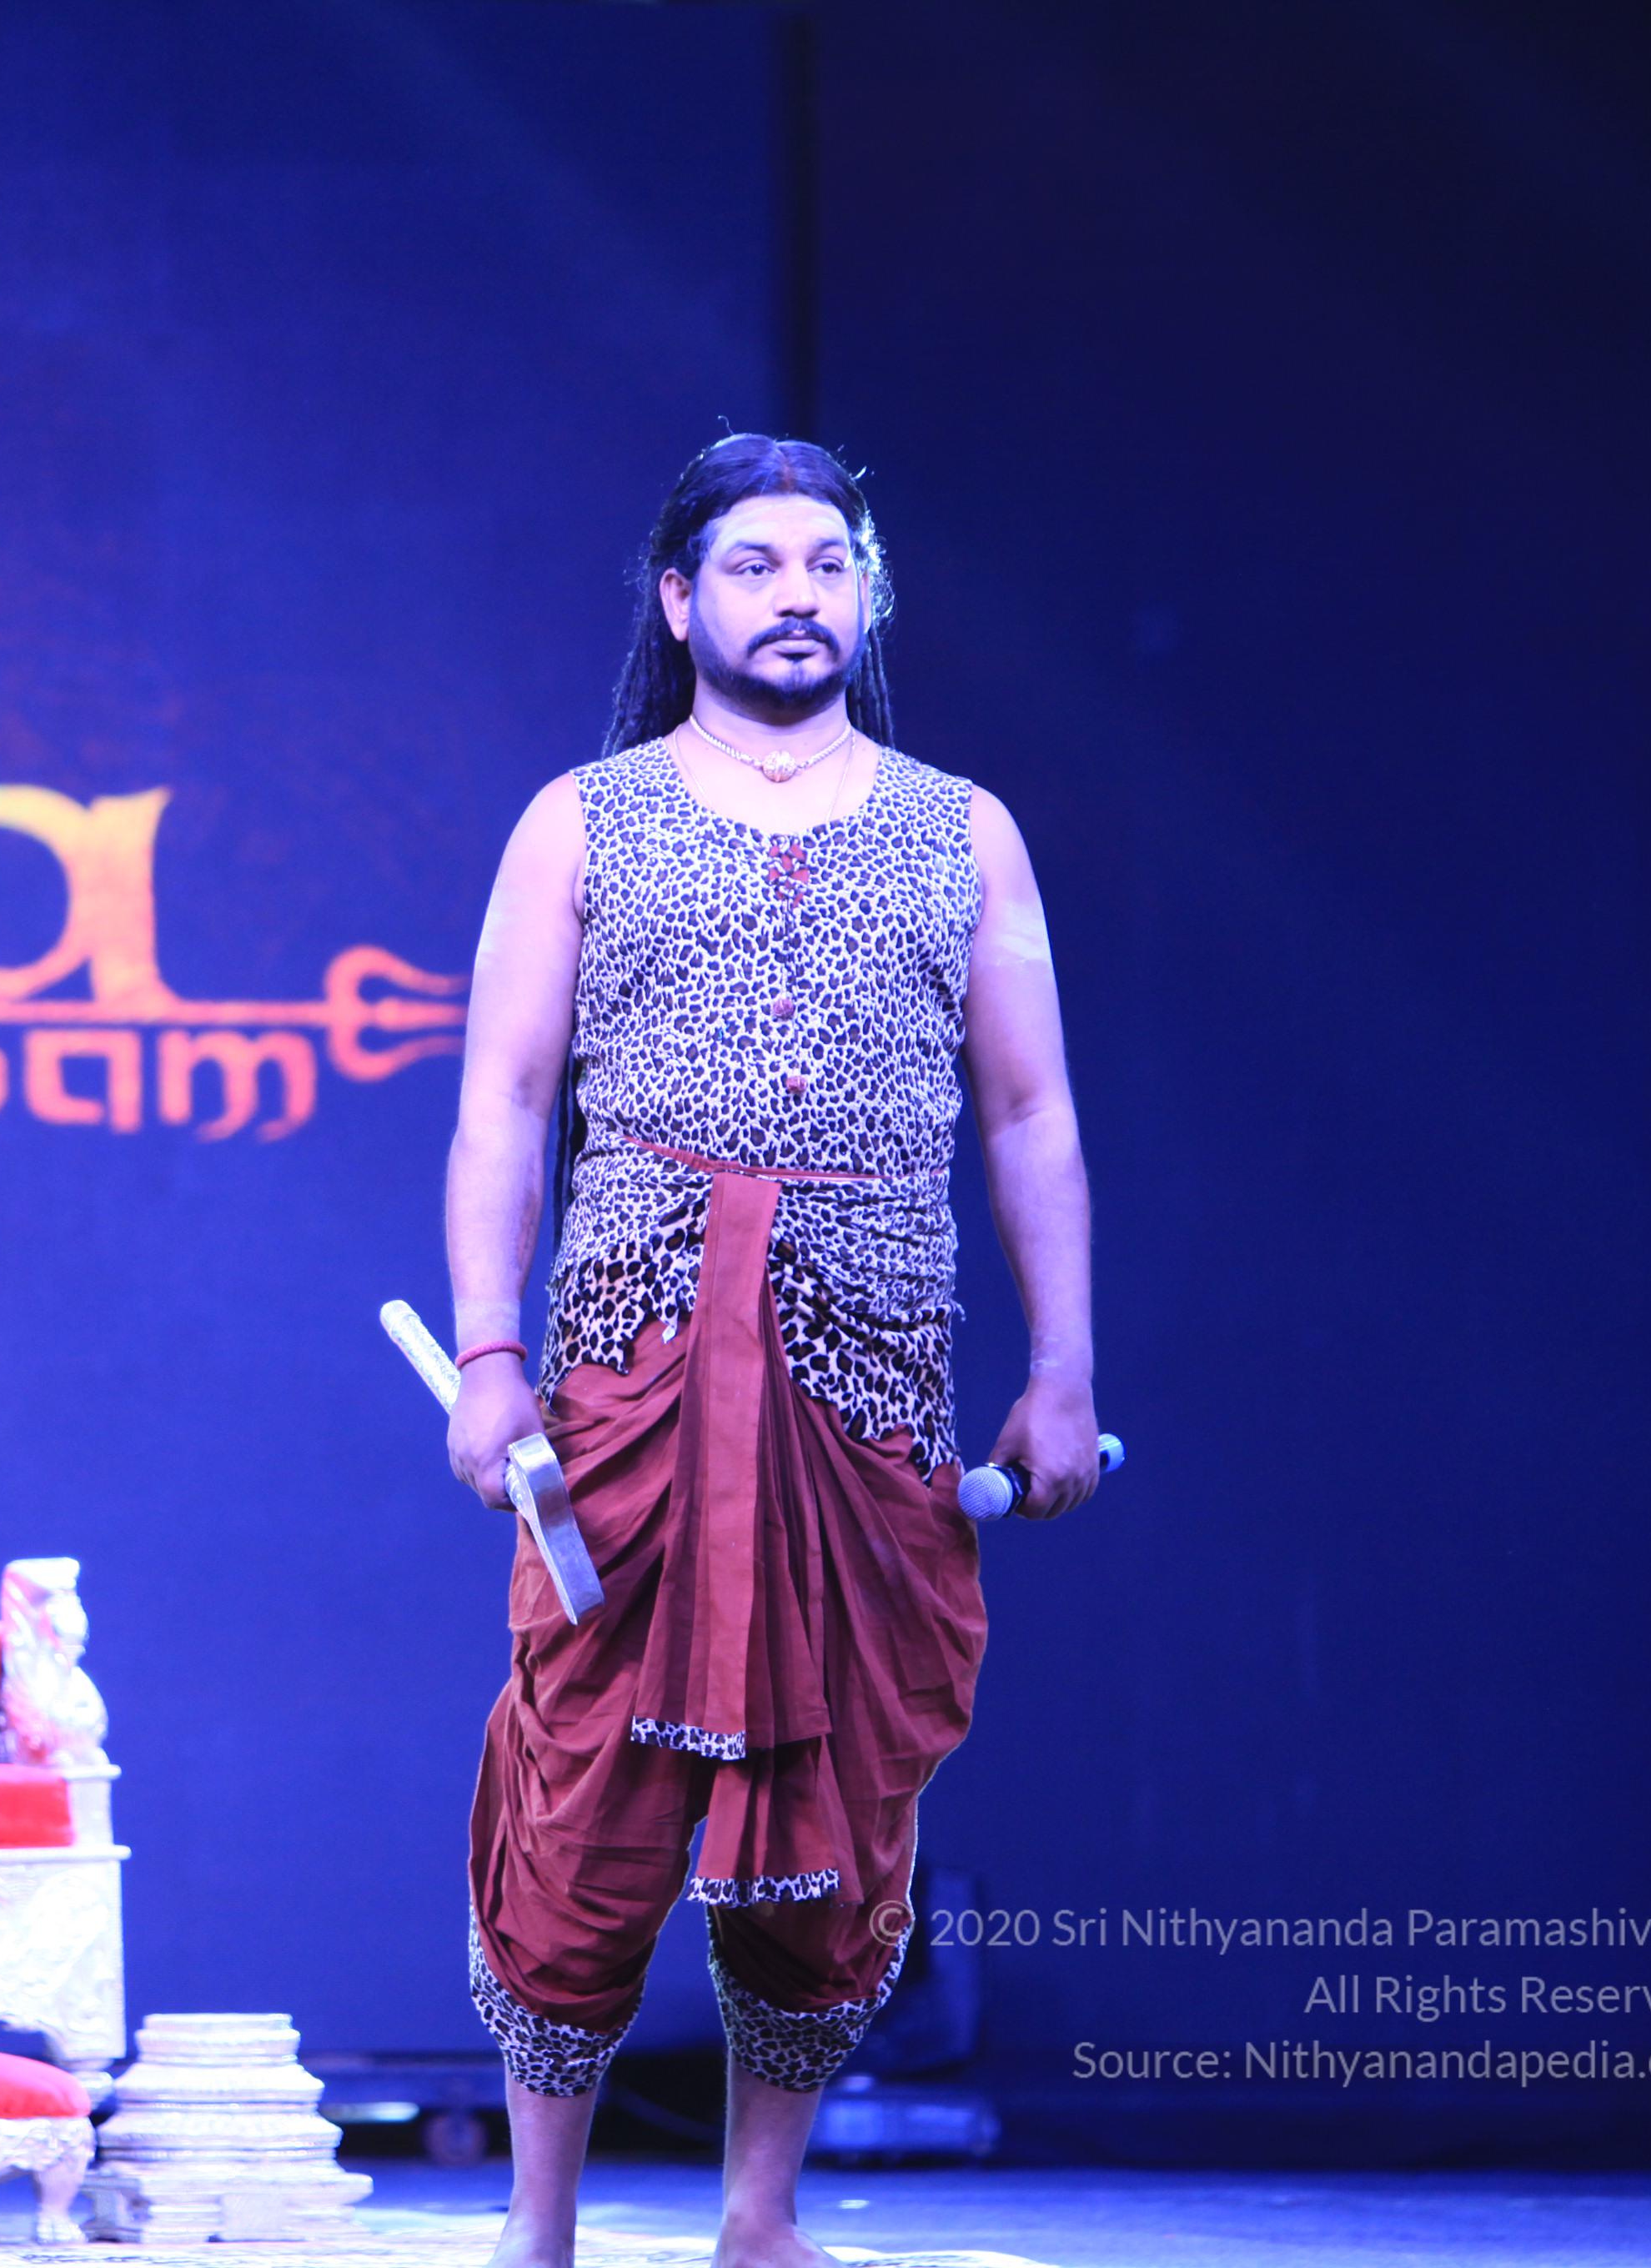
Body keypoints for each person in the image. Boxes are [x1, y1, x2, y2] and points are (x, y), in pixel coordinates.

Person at [442, 435, 1098, 2268]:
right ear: (680, 600)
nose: (795, 595)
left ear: (867, 594)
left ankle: (760, 2218)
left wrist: (1064, 1367)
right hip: (634, 1361)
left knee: (848, 1787)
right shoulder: (584, 819)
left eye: (827, 562)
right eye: (753, 564)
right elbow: (503, 1104)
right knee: (587, 1785)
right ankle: (539, 2227)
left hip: (868, 1371)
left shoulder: (962, 829)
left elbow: (1031, 1113)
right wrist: (489, 1352)